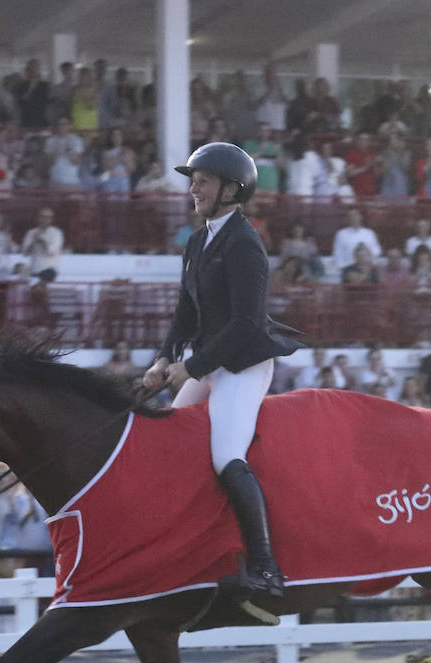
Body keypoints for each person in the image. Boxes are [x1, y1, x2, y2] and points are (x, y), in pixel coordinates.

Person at [142, 143, 301, 604]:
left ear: (232, 189)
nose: (194, 187)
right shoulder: (196, 241)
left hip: (242, 365)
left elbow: (246, 324)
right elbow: (183, 315)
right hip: (208, 362)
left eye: (203, 181)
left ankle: (267, 569)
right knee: (172, 444)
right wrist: (163, 356)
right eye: (194, 180)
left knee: (225, 456)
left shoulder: (245, 244)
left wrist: (191, 366)